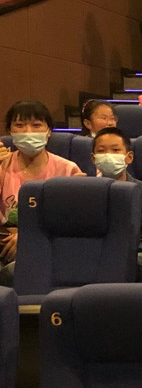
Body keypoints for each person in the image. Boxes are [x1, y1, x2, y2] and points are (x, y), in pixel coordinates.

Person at [0, 101, 86, 284]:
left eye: (36, 125)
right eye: (20, 125)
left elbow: (73, 222)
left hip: (50, 248)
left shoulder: (68, 170)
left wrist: (28, 238)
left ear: (48, 131)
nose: (28, 132)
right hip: (4, 248)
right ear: (10, 131)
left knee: (16, 272)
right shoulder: (2, 166)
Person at [92, 127, 142, 281]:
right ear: (93, 158)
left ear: (129, 157)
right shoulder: (87, 193)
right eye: (101, 151)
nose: (108, 155)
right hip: (96, 252)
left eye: (115, 150)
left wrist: (116, 252)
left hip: (137, 254)